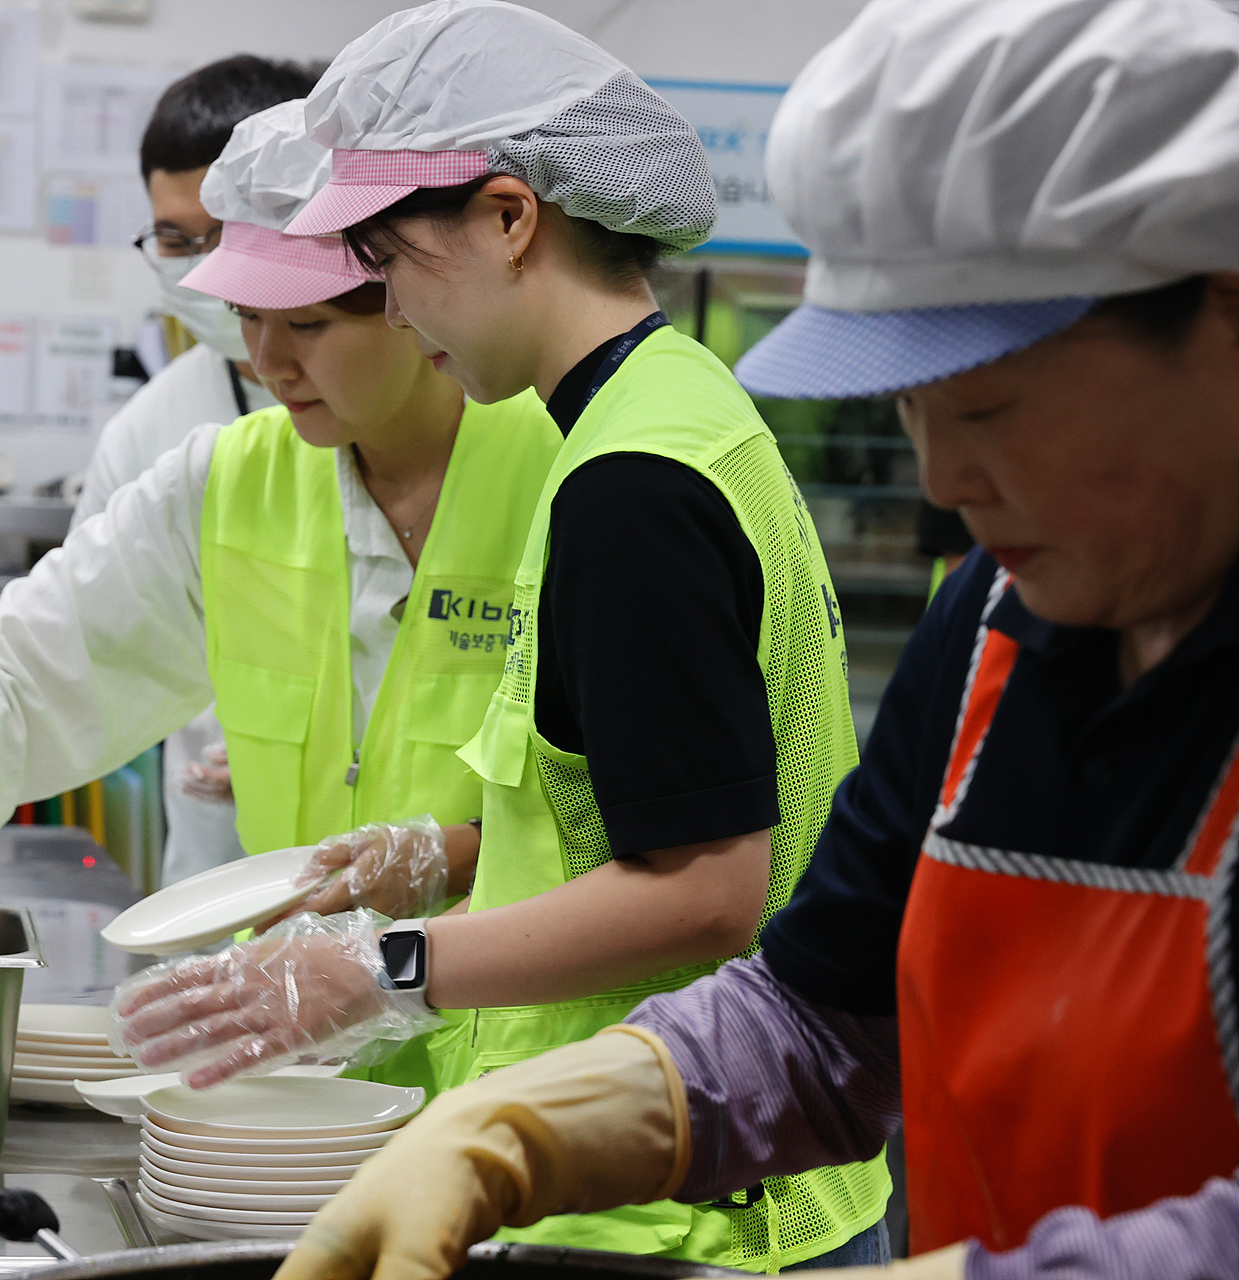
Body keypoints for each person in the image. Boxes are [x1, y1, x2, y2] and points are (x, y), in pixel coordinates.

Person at [263, 1, 1239, 1278]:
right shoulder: (989, 628)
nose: (944, 482)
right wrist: (527, 1128)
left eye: (993, 406)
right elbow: (824, 1017)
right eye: (910, 407)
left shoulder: (641, 472)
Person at [112, 3, 888, 1270]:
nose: (387, 305)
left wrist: (384, 966)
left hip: (688, 1206)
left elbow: (705, 890)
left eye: (385, 257)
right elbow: (634, 806)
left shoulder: (631, 483)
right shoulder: (669, 408)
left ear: (511, 217)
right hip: (675, 1174)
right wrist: (447, 859)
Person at [0, 102, 563, 973]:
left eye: (309, 325)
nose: (269, 362)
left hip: (529, 1033)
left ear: (409, 302)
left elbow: (653, 822)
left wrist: (454, 861)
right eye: (248, 317)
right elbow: (30, 663)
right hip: (303, 1025)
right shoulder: (227, 484)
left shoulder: (565, 471)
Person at [73, 55, 315, 886]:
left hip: (423, 903)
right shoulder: (147, 432)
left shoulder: (441, 396)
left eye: (223, 234)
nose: (203, 267)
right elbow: (87, 646)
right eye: (175, 240)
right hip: (215, 882)